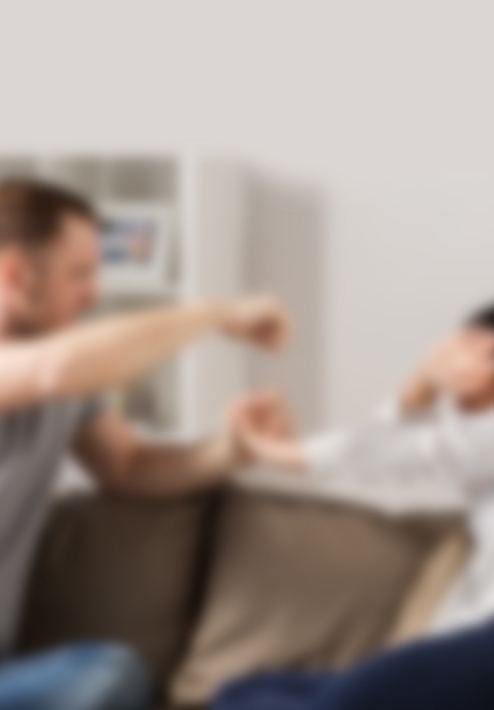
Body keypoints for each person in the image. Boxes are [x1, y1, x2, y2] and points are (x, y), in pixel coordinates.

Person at [215, 301, 494, 710]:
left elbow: (423, 452)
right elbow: (398, 446)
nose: (462, 417)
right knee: (240, 694)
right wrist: (416, 394)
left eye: (474, 405)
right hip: (488, 650)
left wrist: (278, 452)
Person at [0, 179, 291, 710]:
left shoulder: (63, 381)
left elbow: (127, 465)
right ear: (15, 273)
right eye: (79, 274)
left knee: (113, 673)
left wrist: (233, 449)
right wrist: (216, 313)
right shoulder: (55, 368)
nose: (94, 292)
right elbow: (58, 368)